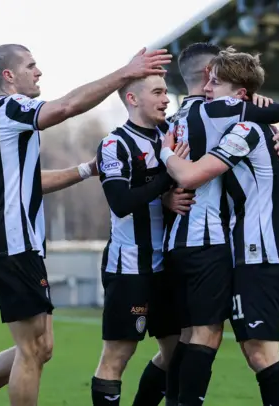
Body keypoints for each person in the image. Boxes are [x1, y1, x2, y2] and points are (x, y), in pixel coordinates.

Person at [0, 43, 173, 406]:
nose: (38, 72)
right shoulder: (11, 107)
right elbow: (66, 107)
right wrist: (126, 72)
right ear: (9, 76)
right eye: (31, 66)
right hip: (12, 243)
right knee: (33, 349)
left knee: (38, 348)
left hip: (10, 243)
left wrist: (86, 170)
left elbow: (30, 182)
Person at [161, 47, 279, 406]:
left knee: (261, 352)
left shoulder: (244, 128)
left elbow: (189, 174)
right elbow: (276, 111)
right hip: (247, 248)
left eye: (216, 83)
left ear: (239, 95)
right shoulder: (249, 123)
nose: (207, 89)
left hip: (260, 249)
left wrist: (165, 151)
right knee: (252, 350)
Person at [91, 72, 189, 406]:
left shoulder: (173, 133)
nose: (166, 99)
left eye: (166, 92)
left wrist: (266, 120)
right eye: (158, 92)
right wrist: (168, 178)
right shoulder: (114, 144)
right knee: (118, 355)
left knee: (177, 349)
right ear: (132, 99)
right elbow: (121, 203)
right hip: (130, 266)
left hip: (170, 265)